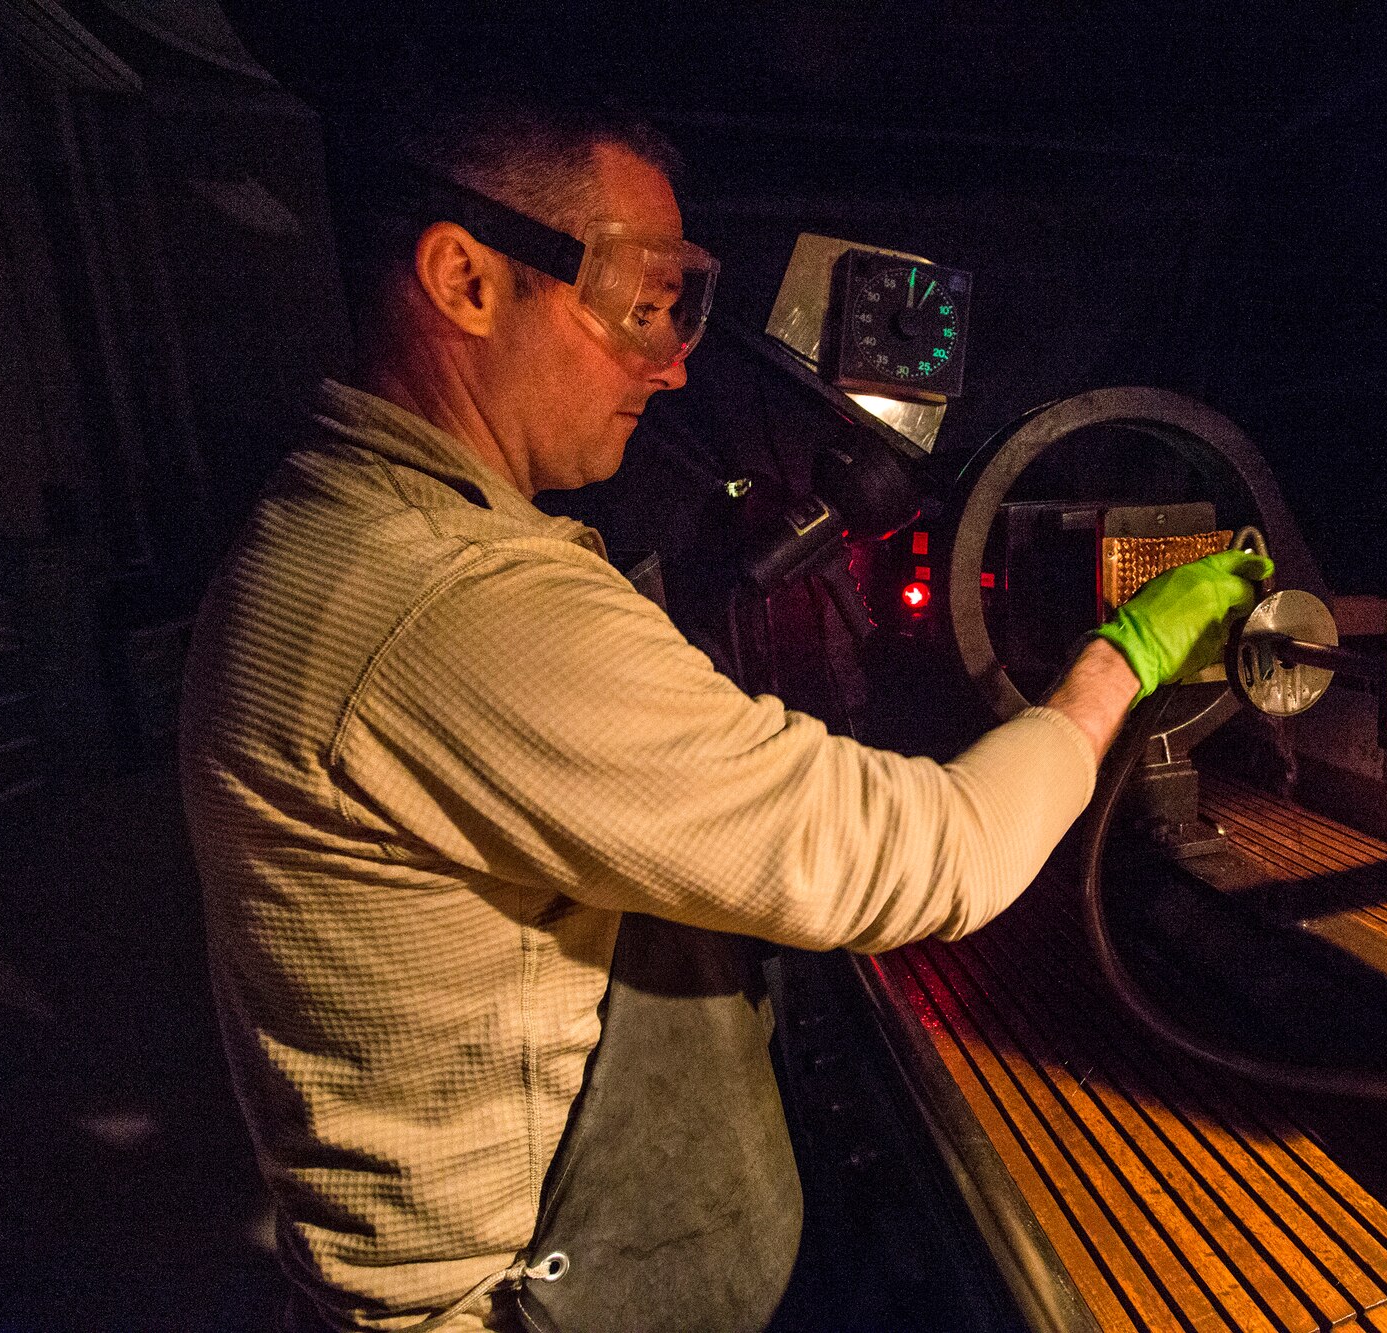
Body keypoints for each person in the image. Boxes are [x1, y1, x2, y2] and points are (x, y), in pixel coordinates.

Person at [178, 87, 1268, 1333]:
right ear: (466, 280)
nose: (676, 358)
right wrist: (1119, 661)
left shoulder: (345, 535)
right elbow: (930, 856)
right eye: (643, 303)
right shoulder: (448, 601)